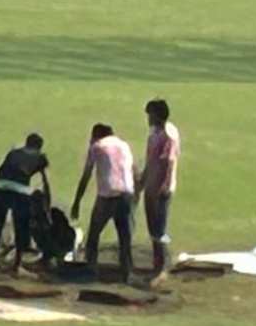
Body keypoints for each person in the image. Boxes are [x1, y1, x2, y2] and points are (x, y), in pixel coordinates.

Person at [70, 120, 139, 279]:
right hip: (126, 193)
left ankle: (91, 268)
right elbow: (134, 171)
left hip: (107, 195)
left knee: (94, 233)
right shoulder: (124, 145)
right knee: (124, 236)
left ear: (96, 135)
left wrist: (77, 202)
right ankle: (126, 272)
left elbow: (86, 175)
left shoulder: (97, 146)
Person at [0, 131, 54, 268]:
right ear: (39, 147)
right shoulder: (40, 157)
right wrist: (47, 206)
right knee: (21, 224)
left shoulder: (13, 153)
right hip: (19, 190)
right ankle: (17, 265)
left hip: (0, 186)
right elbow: (45, 182)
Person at [139, 98, 184, 281]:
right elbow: (151, 161)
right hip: (151, 185)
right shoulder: (156, 133)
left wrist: (164, 186)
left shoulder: (167, 135)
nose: (148, 119)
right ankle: (158, 263)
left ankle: (162, 266)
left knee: (159, 228)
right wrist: (142, 181)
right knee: (153, 228)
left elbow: (169, 162)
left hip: (159, 188)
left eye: (150, 115)